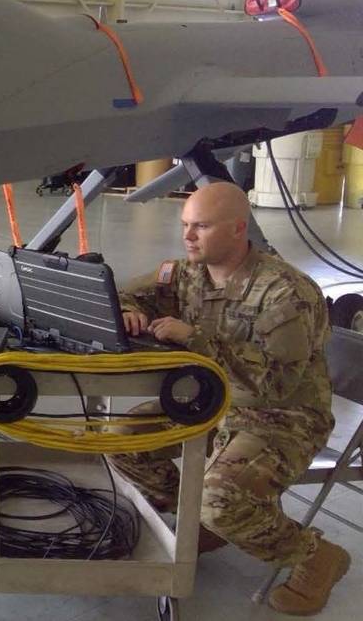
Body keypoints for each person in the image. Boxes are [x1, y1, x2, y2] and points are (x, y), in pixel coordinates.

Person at [109, 181, 349, 616]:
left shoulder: (286, 293)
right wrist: (131, 310)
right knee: (122, 440)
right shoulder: (187, 273)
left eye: (201, 226)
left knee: (219, 502)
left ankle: (315, 555)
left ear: (238, 229)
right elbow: (128, 290)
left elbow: (275, 385)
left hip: (281, 417)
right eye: (185, 225)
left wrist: (196, 339)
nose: (188, 236)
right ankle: (210, 520)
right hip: (209, 401)